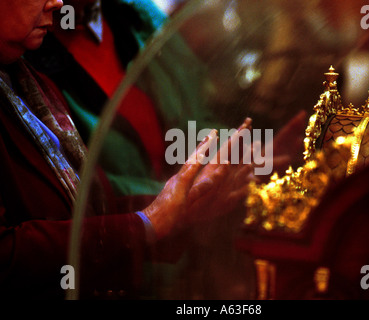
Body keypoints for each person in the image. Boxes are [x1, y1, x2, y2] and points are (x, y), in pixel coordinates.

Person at [0, 0, 254, 299]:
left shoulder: (25, 76)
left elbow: (87, 201)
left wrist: (182, 206)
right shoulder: (38, 58)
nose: (56, 3)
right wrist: (149, 221)